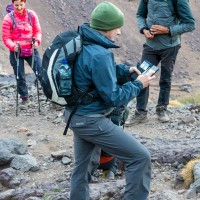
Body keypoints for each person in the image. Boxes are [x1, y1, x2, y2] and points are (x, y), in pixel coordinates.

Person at [64, 1, 155, 199]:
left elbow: (90, 75)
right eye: (117, 27)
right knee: (140, 158)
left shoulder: (84, 41)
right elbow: (114, 97)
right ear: (107, 28)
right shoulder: (100, 53)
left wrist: (125, 71)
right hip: (91, 120)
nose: (120, 32)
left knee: (82, 170)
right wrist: (139, 84)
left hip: (75, 116)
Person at [125, 0, 196, 126]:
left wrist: (167, 30)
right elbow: (140, 15)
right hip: (150, 45)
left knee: (165, 78)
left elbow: (190, 24)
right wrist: (143, 29)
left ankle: (162, 109)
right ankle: (140, 113)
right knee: (142, 76)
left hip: (170, 47)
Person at [2, 0, 42, 104]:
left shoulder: (31, 15)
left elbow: (37, 31)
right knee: (19, 75)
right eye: (16, 5)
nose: (19, 7)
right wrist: (13, 46)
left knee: (41, 72)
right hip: (16, 50)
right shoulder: (8, 18)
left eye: (21, 5)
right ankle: (24, 97)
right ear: (12, 4)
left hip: (31, 48)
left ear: (24, 3)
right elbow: (6, 38)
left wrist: (37, 41)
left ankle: (49, 95)